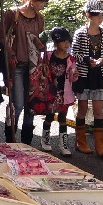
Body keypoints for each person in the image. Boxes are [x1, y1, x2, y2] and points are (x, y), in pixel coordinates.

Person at [0, 0, 49, 144]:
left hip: (34, 66)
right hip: (18, 65)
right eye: (41, 2)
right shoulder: (12, 14)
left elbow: (38, 41)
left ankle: (27, 143)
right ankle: (11, 139)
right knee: (18, 104)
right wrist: (10, 53)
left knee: (31, 106)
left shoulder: (39, 19)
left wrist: (41, 45)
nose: (42, 5)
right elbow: (1, 37)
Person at [72, 0, 103, 157]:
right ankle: (81, 143)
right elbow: (74, 53)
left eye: (101, 14)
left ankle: (100, 146)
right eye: (96, 15)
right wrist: (88, 60)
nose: (100, 18)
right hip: (83, 75)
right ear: (88, 15)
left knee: (98, 111)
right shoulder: (79, 33)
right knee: (82, 109)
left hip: (99, 75)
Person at [41, 27, 78, 156]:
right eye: (63, 41)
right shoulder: (49, 55)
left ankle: (64, 145)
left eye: (68, 41)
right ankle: (45, 141)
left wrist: (75, 75)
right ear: (56, 43)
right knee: (49, 116)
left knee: (63, 118)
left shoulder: (71, 59)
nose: (66, 44)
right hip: (50, 92)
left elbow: (72, 78)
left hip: (64, 93)